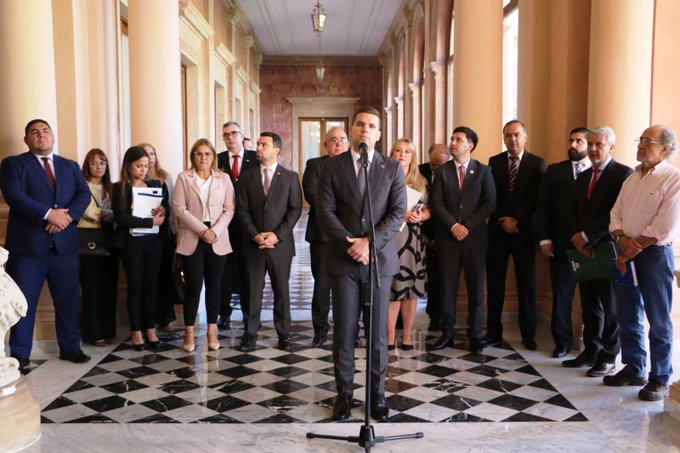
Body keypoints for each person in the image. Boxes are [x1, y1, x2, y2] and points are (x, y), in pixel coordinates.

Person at [317, 106, 407, 422]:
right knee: (343, 332)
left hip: (378, 263)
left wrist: (370, 243)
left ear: (379, 134)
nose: (365, 130)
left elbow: (397, 214)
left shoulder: (392, 167)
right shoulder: (332, 168)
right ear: (351, 130)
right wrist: (352, 243)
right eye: (360, 125)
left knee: (378, 335)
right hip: (343, 261)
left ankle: (377, 397)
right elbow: (325, 213)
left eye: (371, 126)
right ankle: (343, 396)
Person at [0, 119, 92, 370]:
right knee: (23, 302)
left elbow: (84, 194)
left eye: (45, 131)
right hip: (28, 249)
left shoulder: (70, 166)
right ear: (26, 140)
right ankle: (20, 354)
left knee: (68, 299)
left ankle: (70, 347)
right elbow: (14, 195)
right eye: (34, 132)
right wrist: (48, 214)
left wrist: (66, 217)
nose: (41, 136)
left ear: (53, 136)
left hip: (64, 248)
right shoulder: (13, 164)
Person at [606, 124, 680, 401]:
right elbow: (616, 213)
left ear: (665, 149)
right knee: (627, 313)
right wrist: (622, 240)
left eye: (647, 141)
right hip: (624, 251)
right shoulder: (632, 177)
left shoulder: (674, 179)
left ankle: (660, 378)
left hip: (653, 256)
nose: (640, 145)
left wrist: (630, 248)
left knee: (659, 319)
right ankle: (634, 367)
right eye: (640, 140)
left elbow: (665, 225)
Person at [564, 126, 633, 377]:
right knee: (589, 303)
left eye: (599, 145)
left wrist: (587, 238)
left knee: (611, 306)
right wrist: (578, 239)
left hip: (608, 249)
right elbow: (575, 211)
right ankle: (591, 350)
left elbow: (615, 214)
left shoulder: (623, 174)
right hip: (584, 249)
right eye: (590, 144)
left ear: (611, 148)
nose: (593, 149)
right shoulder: (583, 176)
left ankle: (608, 355)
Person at [430, 127, 496, 354]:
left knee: (476, 289)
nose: (453, 142)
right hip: (448, 239)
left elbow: (489, 203)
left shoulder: (483, 171)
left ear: (471, 145)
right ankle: (446, 333)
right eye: (452, 138)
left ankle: (474, 334)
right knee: (447, 288)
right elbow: (436, 203)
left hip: (474, 240)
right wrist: (453, 226)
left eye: (459, 139)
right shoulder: (442, 172)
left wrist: (467, 227)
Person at [236, 132, 302, 352]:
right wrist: (255, 235)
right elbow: (242, 210)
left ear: (276, 150)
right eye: (258, 143)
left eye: (264, 144)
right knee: (252, 291)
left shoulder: (290, 177)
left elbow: (295, 210)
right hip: (253, 244)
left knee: (282, 291)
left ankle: (284, 334)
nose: (259, 147)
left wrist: (276, 235)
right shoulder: (247, 176)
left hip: (280, 245)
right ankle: (250, 333)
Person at [484, 120, 546, 350]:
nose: (512, 139)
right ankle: (492, 331)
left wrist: (515, 219)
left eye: (517, 135)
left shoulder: (538, 164)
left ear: (525, 137)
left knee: (526, 285)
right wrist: (503, 219)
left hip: (524, 231)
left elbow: (536, 199)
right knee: (495, 283)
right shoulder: (494, 162)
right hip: (498, 231)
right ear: (504, 138)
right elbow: (491, 196)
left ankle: (528, 334)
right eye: (508, 135)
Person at [173, 139, 235, 352]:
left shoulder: (223, 178)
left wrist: (214, 231)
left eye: (207, 154)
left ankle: (212, 331)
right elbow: (180, 209)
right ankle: (189, 333)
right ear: (193, 156)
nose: (203, 158)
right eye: (199, 154)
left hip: (217, 237)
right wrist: (202, 230)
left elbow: (230, 209)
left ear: (213, 157)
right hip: (192, 235)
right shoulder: (184, 177)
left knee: (215, 286)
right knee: (193, 286)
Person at [536, 127, 591, 358]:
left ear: (589, 145)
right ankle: (563, 342)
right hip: (560, 244)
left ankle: (592, 346)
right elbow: (544, 207)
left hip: (590, 246)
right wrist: (545, 239)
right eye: (571, 140)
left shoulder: (597, 172)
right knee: (561, 295)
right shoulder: (554, 171)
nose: (573, 144)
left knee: (592, 298)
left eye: (579, 141)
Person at [112, 146, 169, 350]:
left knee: (151, 285)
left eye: (146, 166)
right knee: (135, 284)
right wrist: (149, 222)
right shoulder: (119, 187)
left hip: (153, 242)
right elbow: (121, 217)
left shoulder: (155, 184)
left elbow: (166, 210)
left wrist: (163, 210)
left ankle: (150, 327)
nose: (143, 170)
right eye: (139, 166)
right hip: (131, 243)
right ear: (129, 165)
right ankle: (136, 330)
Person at [302, 127, 349, 348]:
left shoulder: (357, 165)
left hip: (351, 235)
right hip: (322, 235)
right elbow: (313, 195)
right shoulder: (314, 165)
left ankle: (349, 330)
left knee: (349, 284)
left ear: (348, 144)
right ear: (326, 145)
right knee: (322, 284)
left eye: (342, 140)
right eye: (333, 140)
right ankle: (320, 331)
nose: (338, 144)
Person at [387, 138, 429, 351]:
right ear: (392, 153)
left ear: (413, 157)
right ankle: (389, 335)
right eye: (398, 150)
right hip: (391, 238)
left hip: (413, 240)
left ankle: (408, 336)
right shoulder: (382, 177)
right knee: (393, 289)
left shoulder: (420, 181)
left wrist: (420, 216)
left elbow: (430, 209)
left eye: (407, 152)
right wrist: (399, 216)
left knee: (411, 290)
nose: (402, 154)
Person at [216, 121, 259, 329]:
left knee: (248, 272)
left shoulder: (254, 159)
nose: (230, 138)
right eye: (226, 135)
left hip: (248, 226)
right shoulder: (217, 161)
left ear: (242, 136)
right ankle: (224, 312)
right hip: (224, 226)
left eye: (234, 133)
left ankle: (249, 315)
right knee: (225, 271)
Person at [78, 148, 119, 347]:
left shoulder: (112, 187)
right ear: (87, 165)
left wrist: (112, 214)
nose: (98, 166)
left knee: (108, 288)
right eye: (94, 162)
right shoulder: (81, 186)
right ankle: (94, 333)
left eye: (102, 162)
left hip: (110, 240)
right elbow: (88, 211)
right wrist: (109, 213)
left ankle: (108, 329)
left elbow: (120, 211)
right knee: (91, 289)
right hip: (89, 241)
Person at [139, 142, 177, 332]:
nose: (150, 157)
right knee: (146, 277)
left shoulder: (165, 177)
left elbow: (173, 204)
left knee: (164, 275)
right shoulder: (135, 178)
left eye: (152, 153)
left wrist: (166, 213)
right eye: (146, 154)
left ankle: (165, 318)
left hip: (164, 232)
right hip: (142, 232)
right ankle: (147, 319)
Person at [418, 144, 451, 331]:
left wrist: (442, 236)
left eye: (439, 165)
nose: (434, 169)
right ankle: (433, 315)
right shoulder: (420, 172)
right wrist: (424, 236)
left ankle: (443, 316)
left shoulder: (452, 173)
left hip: (447, 234)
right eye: (432, 164)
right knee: (430, 278)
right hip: (424, 234)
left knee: (445, 279)